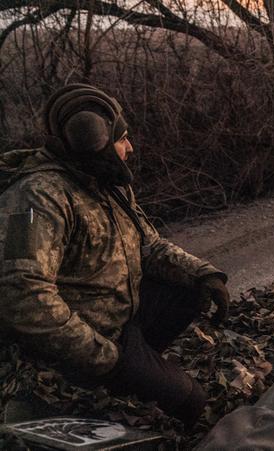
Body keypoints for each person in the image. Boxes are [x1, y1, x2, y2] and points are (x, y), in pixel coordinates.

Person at [0, 84, 230, 427]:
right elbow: (23, 295)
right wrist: (104, 357)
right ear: (95, 141)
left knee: (189, 288)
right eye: (123, 139)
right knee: (193, 404)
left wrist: (204, 273)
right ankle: (108, 382)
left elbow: (148, 244)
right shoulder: (35, 198)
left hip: (121, 324)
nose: (130, 148)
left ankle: (131, 378)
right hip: (82, 347)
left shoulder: (108, 181)